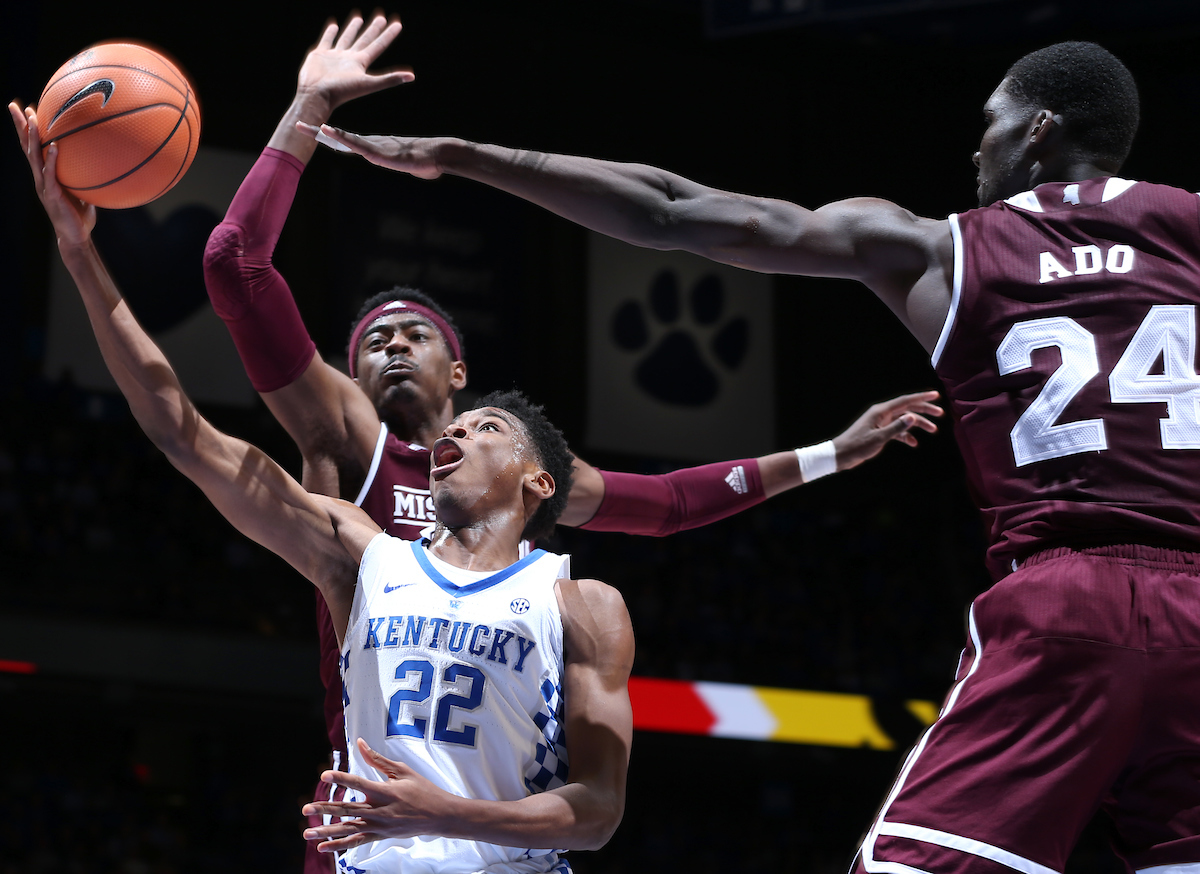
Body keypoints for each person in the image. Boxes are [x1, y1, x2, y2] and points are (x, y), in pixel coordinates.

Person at [307, 40, 1200, 874]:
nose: (977, 150)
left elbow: (671, 209)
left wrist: (461, 156)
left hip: (1065, 604)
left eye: (991, 124)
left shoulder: (946, 247)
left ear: (1038, 130)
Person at [201, 15, 942, 871]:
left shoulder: (523, 471)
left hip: (502, 822)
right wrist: (308, 106)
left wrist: (832, 454)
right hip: (369, 816)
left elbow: (668, 505)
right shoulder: (344, 435)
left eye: (415, 333)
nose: (393, 344)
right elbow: (234, 264)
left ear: (459, 371)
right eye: (372, 341)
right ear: (350, 375)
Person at [11, 99, 635, 874]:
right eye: (455, 430)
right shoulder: (361, 556)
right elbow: (180, 430)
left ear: (539, 480)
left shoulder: (584, 605)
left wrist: (445, 813)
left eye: (486, 428)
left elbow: (597, 813)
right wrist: (77, 252)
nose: (456, 435)